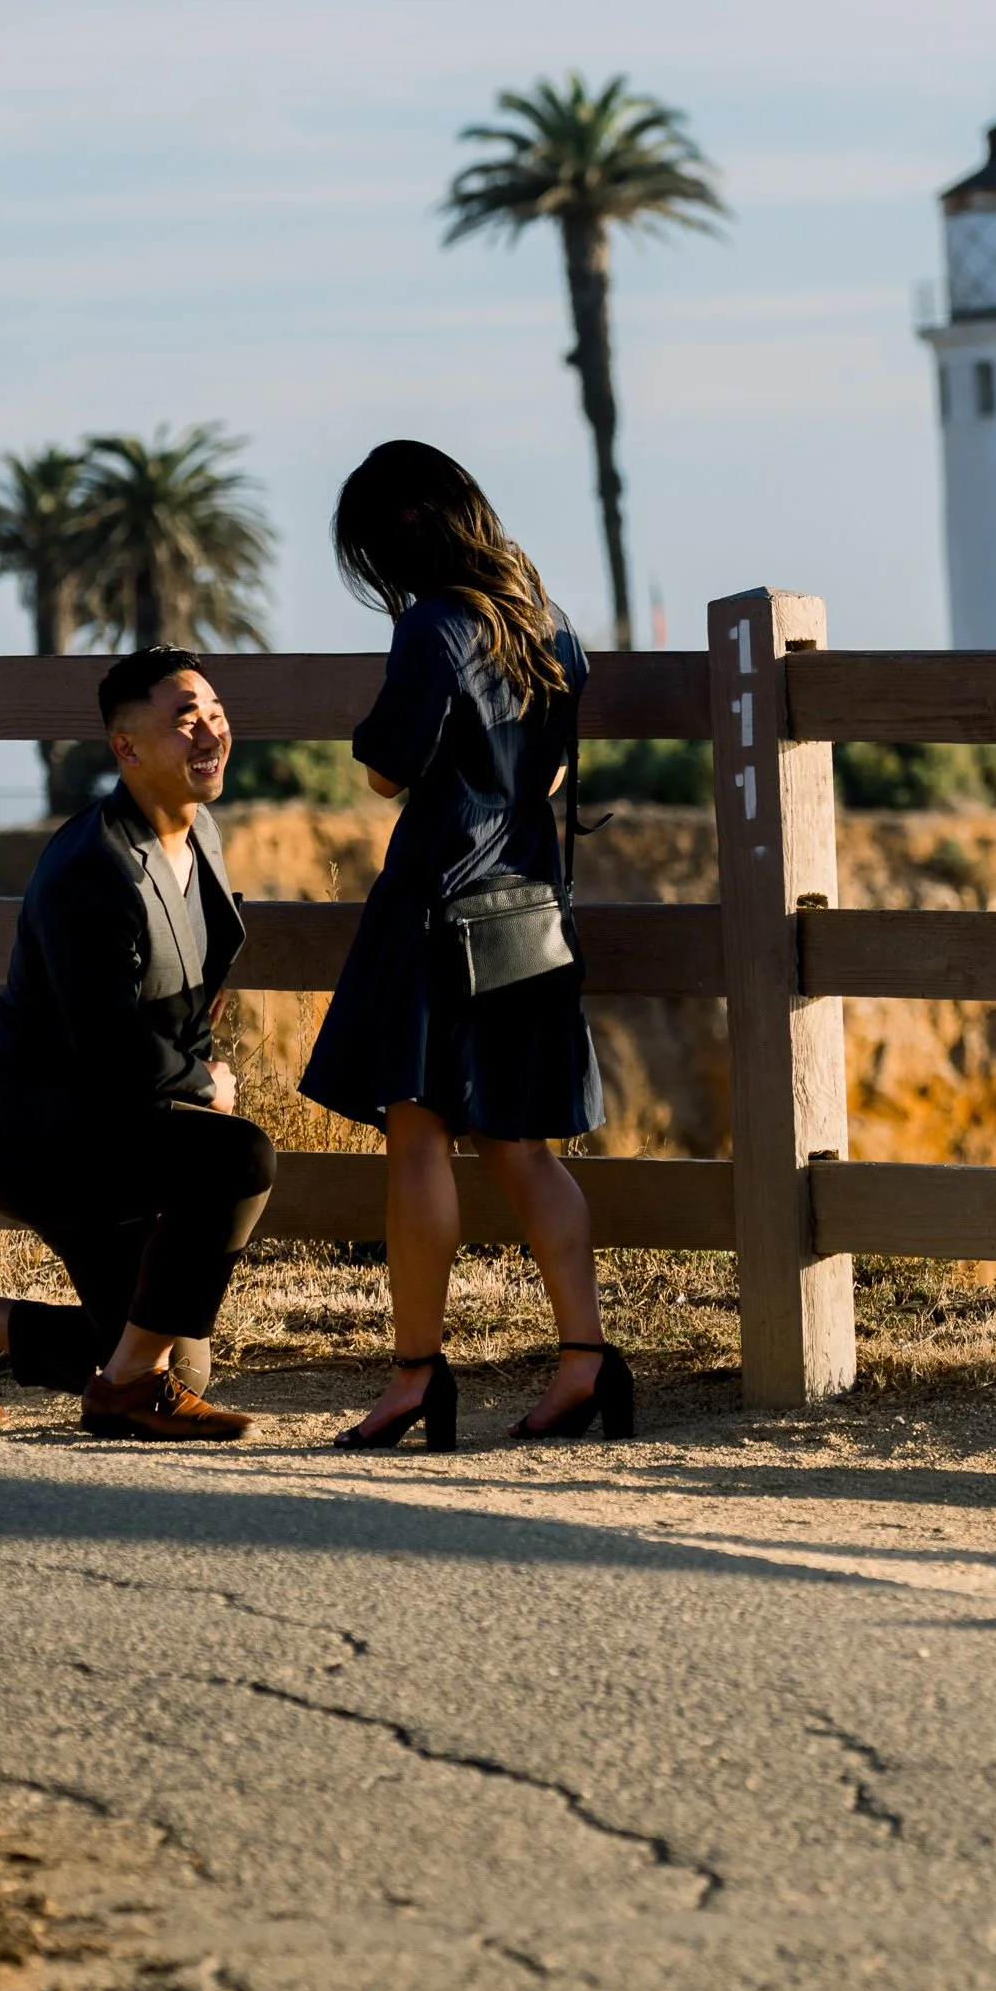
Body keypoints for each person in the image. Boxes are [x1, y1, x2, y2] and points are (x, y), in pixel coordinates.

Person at [300, 440, 635, 1450]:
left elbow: (388, 768)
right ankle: (585, 1360)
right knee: (522, 1146)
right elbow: (551, 777)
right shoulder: (551, 626)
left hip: (436, 907)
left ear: (400, 535)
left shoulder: (434, 627)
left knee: (416, 1136)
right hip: (528, 913)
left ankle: (416, 1378)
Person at [0, 646, 276, 1446]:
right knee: (241, 1157)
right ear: (126, 747)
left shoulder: (200, 832)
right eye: (185, 720)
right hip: (45, 1137)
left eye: (215, 713)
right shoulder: (91, 867)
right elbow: (107, 1043)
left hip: (119, 1122)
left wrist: (192, 1072)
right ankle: (126, 1389)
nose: (211, 732)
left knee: (183, 1364)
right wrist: (202, 1086)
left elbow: (186, 995)